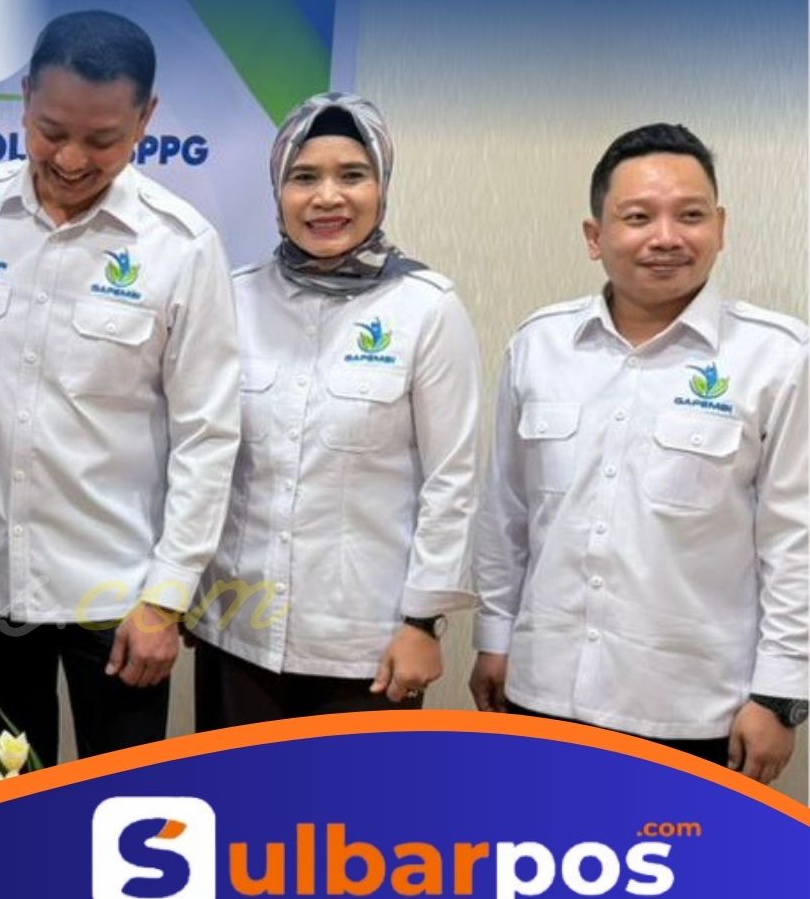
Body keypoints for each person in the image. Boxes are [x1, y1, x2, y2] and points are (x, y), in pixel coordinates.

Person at [0, 10, 241, 767]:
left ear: (145, 120)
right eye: (50, 131)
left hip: (120, 599)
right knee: (3, 805)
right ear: (24, 97)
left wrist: (167, 597)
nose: (70, 159)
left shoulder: (181, 247)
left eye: (103, 140)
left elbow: (207, 435)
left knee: (122, 808)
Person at [472, 123, 807, 783]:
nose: (666, 237)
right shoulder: (539, 345)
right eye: (638, 217)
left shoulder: (778, 359)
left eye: (691, 216)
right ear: (595, 236)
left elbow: (796, 542)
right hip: (543, 694)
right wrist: (494, 638)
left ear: (721, 227)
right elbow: (505, 513)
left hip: (694, 715)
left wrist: (780, 695)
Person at [189, 93, 479, 726]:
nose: (327, 197)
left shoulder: (427, 309)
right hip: (237, 631)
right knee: (232, 792)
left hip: (366, 647)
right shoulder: (232, 299)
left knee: (353, 798)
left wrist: (423, 623)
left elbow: (451, 481)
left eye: (352, 175)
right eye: (304, 177)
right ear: (277, 190)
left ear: (381, 185)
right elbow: (200, 454)